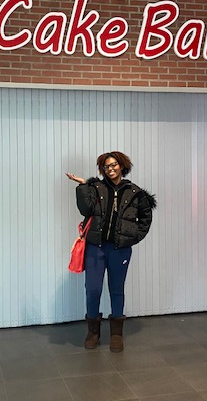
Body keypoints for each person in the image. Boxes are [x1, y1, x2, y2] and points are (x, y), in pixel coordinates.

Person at [66, 151, 156, 352]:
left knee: (116, 290)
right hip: (95, 249)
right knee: (93, 289)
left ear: (122, 166)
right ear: (102, 169)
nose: (111, 168)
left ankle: (116, 334)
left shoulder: (135, 192)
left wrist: (131, 237)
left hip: (119, 251)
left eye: (114, 164)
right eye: (107, 166)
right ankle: (93, 332)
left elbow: (145, 219)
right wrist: (82, 186)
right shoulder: (95, 188)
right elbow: (85, 210)